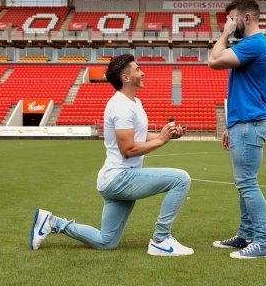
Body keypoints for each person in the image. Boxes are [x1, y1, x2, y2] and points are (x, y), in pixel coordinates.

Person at [30, 54, 193, 256]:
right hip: (120, 178)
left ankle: (52, 222)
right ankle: (161, 240)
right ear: (125, 77)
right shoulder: (121, 106)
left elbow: (139, 136)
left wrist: (165, 135)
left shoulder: (134, 103)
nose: (143, 72)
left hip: (115, 180)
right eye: (137, 69)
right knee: (181, 179)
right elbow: (128, 150)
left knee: (106, 242)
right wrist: (162, 140)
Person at [208, 0, 266, 259]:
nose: (229, 23)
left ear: (246, 18)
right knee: (243, 182)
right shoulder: (251, 44)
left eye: (232, 18)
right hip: (242, 122)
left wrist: (224, 33)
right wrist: (229, 125)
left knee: (247, 182)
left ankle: (263, 241)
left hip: (249, 123)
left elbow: (212, 61)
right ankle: (247, 234)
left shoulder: (254, 44)